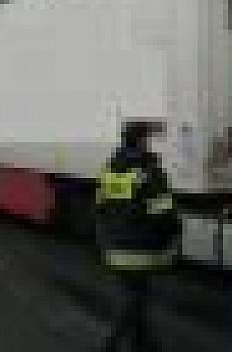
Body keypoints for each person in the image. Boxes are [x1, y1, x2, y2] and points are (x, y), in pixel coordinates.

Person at [95, 120, 179, 352]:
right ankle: (112, 344)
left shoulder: (110, 170)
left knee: (135, 298)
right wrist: (173, 235)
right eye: (148, 138)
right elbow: (164, 213)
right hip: (141, 248)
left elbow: (101, 207)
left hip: (114, 245)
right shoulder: (150, 172)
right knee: (135, 299)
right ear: (141, 140)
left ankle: (142, 343)